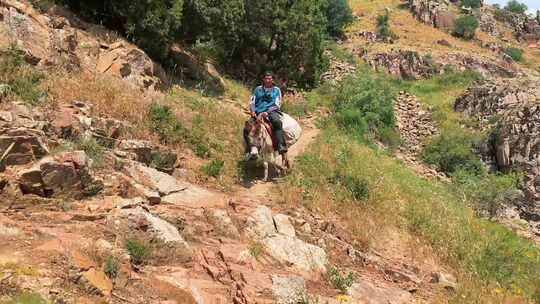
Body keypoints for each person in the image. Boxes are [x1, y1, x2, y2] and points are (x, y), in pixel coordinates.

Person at [243, 72, 288, 158]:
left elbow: (277, 104)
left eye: (270, 78)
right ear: (263, 79)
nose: (268, 80)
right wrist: (252, 111)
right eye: (266, 78)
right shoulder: (258, 89)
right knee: (246, 128)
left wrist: (267, 112)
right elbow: (252, 102)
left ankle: (281, 146)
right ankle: (249, 149)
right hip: (257, 113)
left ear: (272, 80)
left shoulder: (276, 90)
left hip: (271, 111)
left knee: (277, 122)